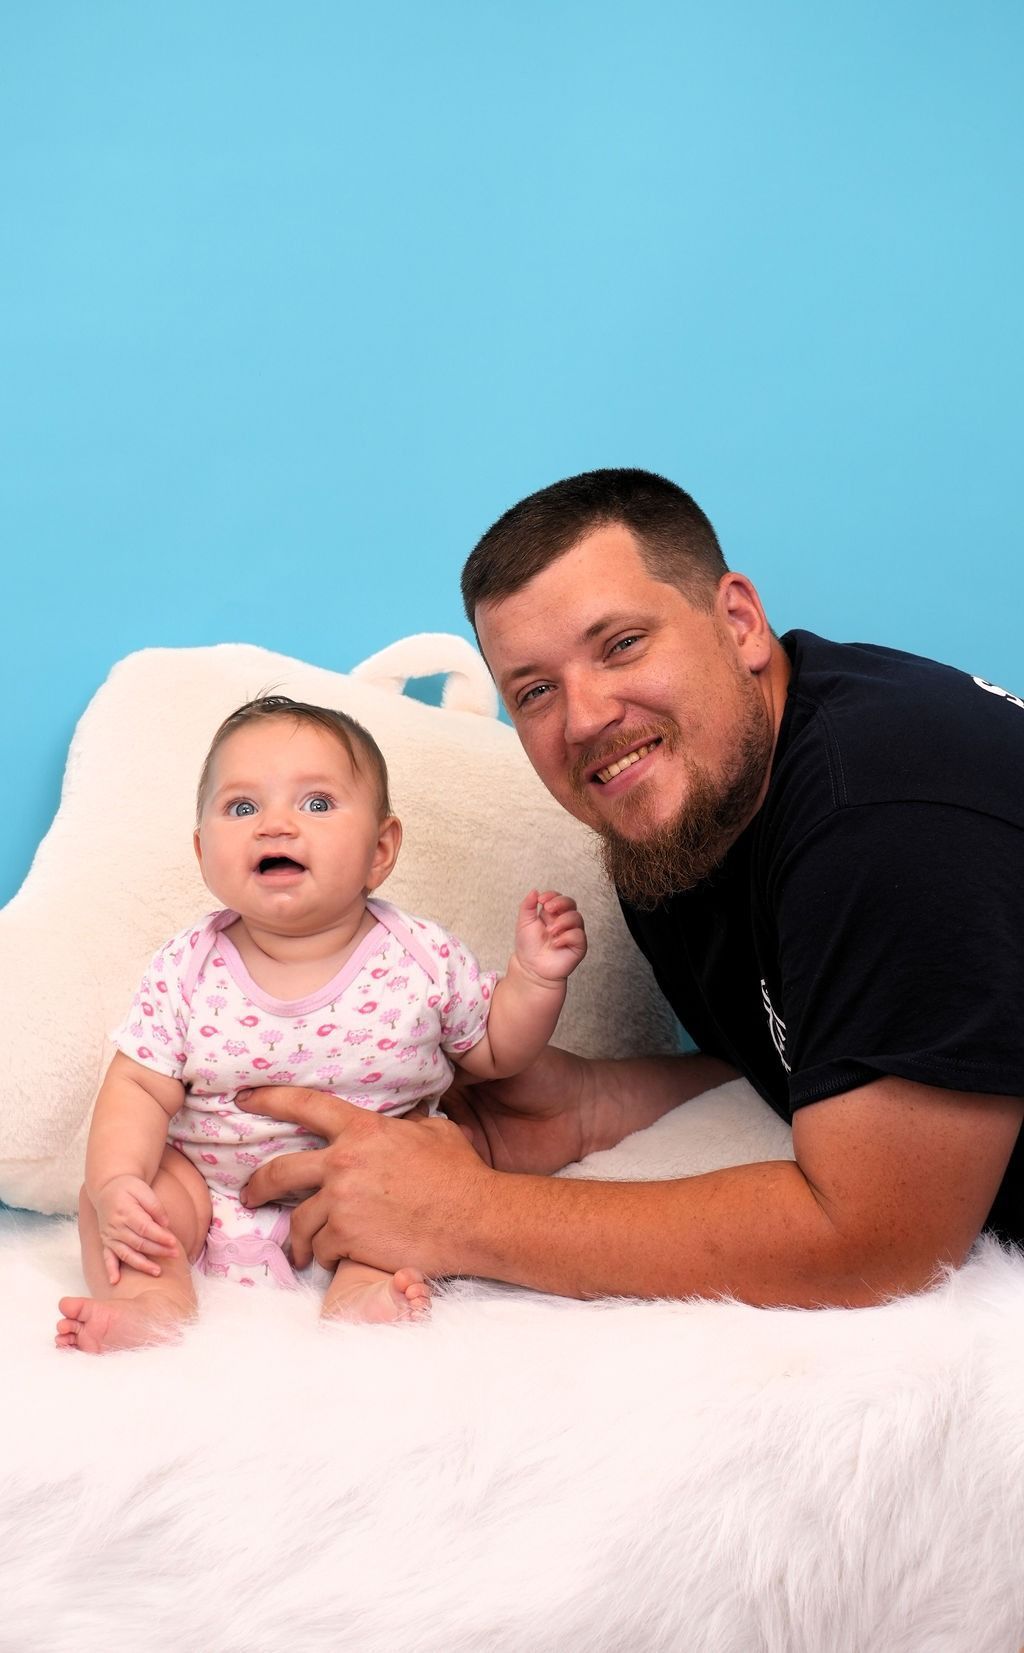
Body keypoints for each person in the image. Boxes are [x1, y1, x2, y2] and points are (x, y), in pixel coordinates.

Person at [233, 469, 1024, 1309]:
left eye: (621, 645)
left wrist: (464, 1212)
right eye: (536, 691)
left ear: (740, 622)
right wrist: (586, 1104)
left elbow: (878, 1240)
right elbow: (820, 1048)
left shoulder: (885, 818)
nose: (584, 719)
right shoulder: (685, 804)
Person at [55, 695, 586, 1352]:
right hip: (209, 1188)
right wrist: (118, 1182)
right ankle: (150, 1303)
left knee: (403, 1223)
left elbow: (496, 1049)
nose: (274, 825)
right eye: (242, 808)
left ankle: (361, 1295)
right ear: (201, 851)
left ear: (380, 850)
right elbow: (138, 1087)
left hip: (368, 1193)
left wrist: (535, 979)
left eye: (315, 803)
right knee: (126, 1202)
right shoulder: (187, 966)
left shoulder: (421, 957)